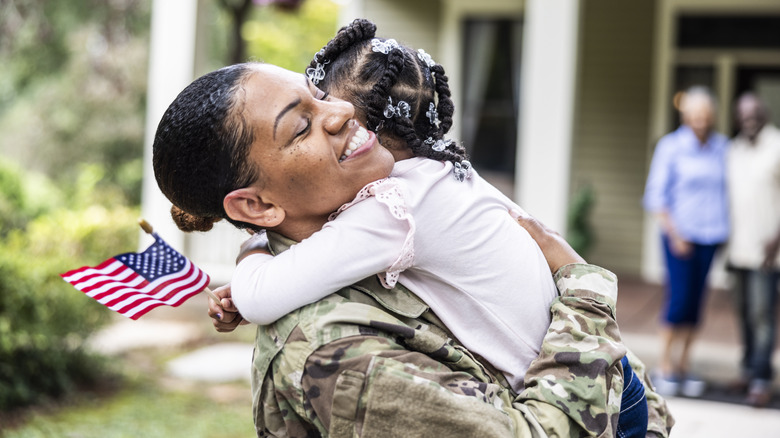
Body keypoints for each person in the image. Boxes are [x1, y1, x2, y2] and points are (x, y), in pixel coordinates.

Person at [152, 56, 673, 437]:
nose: (341, 112)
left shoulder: (389, 210)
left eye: (319, 95)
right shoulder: (331, 345)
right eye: (303, 124)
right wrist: (582, 289)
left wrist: (251, 257)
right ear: (256, 207)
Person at [643, 86, 730, 397]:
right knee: (678, 301)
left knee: (696, 304)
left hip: (711, 237)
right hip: (679, 237)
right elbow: (655, 197)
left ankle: (683, 365)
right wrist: (675, 235)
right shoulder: (671, 146)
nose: (701, 121)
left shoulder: (722, 147)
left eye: (705, 115)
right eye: (695, 115)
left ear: (713, 116)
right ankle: (663, 366)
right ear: (685, 115)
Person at [726, 92, 780, 407]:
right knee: (744, 313)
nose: (750, 118)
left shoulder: (777, 145)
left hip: (767, 252)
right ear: (738, 118)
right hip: (739, 250)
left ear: (765, 114)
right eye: (744, 114)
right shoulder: (734, 149)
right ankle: (747, 371)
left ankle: (761, 378)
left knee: (762, 314)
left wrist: (777, 239)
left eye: (755, 112)